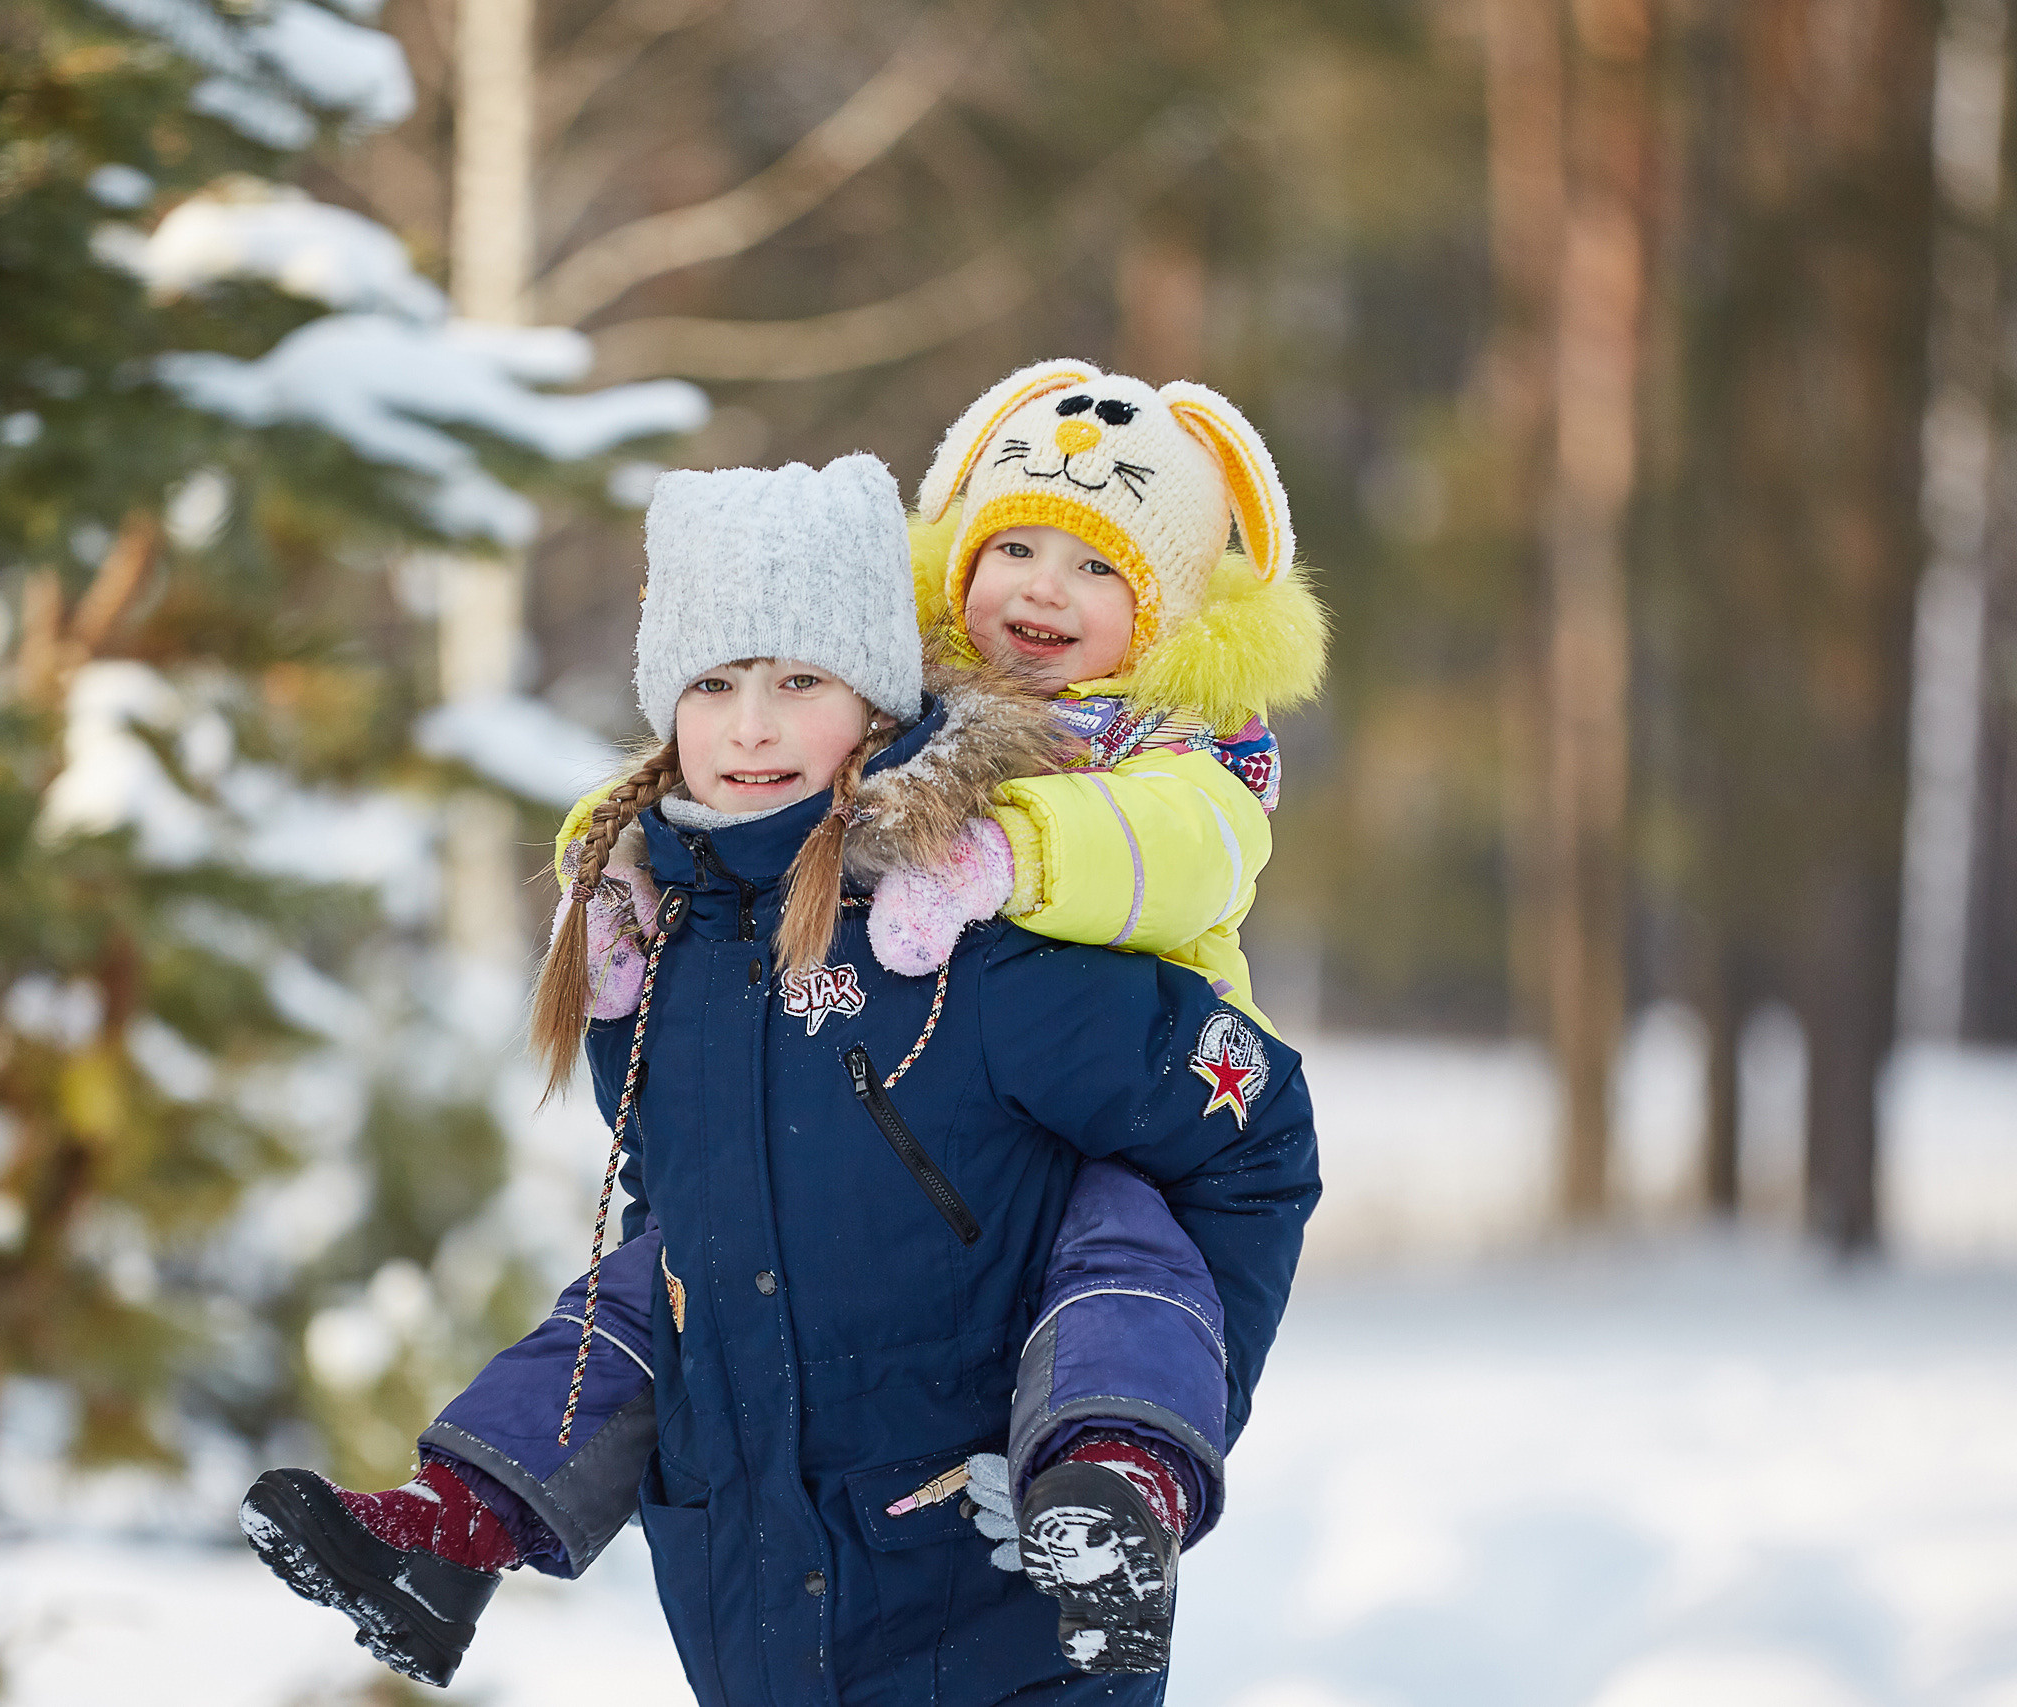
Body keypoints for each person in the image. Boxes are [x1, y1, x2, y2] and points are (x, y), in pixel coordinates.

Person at [242, 386, 1320, 1691]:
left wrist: (991, 858)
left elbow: (1221, 1014)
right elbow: (674, 1158)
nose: (752, 723)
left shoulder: (1155, 778)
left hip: (994, 1555)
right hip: (764, 1599)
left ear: (872, 706)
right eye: (713, 685)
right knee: (660, 1274)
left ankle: (1110, 1482)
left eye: (800, 682)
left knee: (1119, 1230)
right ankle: (456, 1522)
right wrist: (621, 873)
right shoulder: (695, 946)